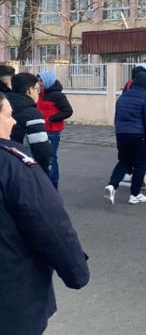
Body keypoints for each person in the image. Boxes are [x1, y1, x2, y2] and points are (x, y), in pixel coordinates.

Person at [0, 91, 90, 335]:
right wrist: (76, 271)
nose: (13, 122)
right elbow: (50, 225)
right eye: (7, 115)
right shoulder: (15, 166)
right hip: (12, 299)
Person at [105, 72, 146, 205]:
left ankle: (112, 185)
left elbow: (116, 119)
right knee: (140, 165)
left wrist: (118, 136)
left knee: (123, 161)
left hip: (122, 134)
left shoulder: (122, 97)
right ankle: (135, 194)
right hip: (139, 135)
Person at [7, 73, 51, 174]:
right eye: (37, 89)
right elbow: (41, 149)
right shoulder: (32, 114)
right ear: (29, 90)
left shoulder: (4, 106)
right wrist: (43, 172)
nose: (38, 93)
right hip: (23, 167)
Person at [36, 70, 73, 189]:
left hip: (52, 131)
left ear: (47, 81)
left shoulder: (57, 95)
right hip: (41, 129)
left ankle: (53, 186)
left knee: (51, 158)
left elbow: (68, 111)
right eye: (39, 81)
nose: (39, 83)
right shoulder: (41, 93)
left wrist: (51, 118)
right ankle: (45, 184)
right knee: (42, 158)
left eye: (41, 81)